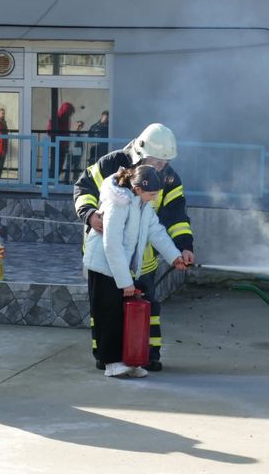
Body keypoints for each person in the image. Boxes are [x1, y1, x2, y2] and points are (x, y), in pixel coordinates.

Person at [74, 123, 195, 372]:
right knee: (107, 310)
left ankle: (144, 355)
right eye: (156, 161)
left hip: (142, 259)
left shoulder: (168, 177)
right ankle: (107, 357)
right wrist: (89, 214)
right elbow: (83, 188)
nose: (161, 167)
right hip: (108, 259)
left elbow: (171, 219)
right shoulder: (113, 170)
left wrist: (181, 249)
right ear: (140, 153)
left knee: (146, 309)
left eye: (165, 162)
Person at [47, 102, 76, 183]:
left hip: (63, 146)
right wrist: (59, 138)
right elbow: (49, 131)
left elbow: (67, 132)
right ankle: (51, 181)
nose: (69, 115)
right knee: (55, 165)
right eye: (69, 113)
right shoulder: (55, 118)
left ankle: (54, 181)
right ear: (65, 112)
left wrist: (67, 144)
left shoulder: (66, 120)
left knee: (60, 166)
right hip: (56, 146)